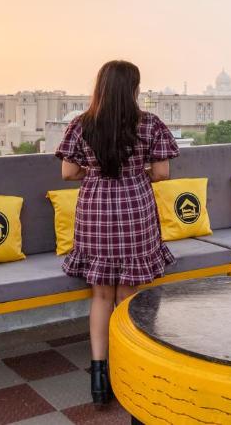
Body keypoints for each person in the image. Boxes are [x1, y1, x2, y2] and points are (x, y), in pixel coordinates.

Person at [55, 60, 179, 405]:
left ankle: (98, 377)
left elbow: (68, 173)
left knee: (101, 297)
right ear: (134, 89)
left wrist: (94, 171)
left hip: (95, 214)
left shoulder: (82, 124)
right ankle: (130, 367)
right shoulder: (149, 124)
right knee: (128, 295)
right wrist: (136, 172)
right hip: (135, 212)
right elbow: (163, 173)